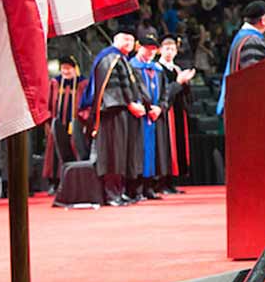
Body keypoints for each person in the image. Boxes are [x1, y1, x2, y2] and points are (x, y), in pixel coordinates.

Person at [82, 31, 147, 206]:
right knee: (113, 154)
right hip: (112, 113)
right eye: (125, 39)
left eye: (132, 40)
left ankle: (120, 191)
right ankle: (111, 194)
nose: (129, 42)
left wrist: (140, 103)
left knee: (123, 153)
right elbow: (110, 89)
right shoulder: (109, 58)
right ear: (115, 40)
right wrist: (129, 104)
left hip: (124, 112)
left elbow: (133, 86)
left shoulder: (123, 59)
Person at [216, 0, 265, 116]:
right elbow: (253, 78)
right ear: (263, 20)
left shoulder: (243, 37)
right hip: (248, 109)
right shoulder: (251, 41)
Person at [155, 34, 195, 192]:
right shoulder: (157, 69)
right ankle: (163, 183)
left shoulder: (177, 69)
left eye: (172, 49)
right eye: (166, 49)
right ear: (160, 50)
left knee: (178, 146)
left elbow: (187, 95)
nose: (169, 52)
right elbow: (163, 92)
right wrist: (178, 82)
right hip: (165, 111)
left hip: (178, 110)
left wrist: (186, 83)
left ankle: (172, 182)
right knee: (166, 147)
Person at [130, 36, 168, 200]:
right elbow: (133, 91)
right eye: (148, 48)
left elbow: (165, 92)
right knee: (139, 151)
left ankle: (149, 186)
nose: (151, 52)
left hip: (154, 116)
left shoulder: (158, 69)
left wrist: (160, 107)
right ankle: (136, 188)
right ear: (139, 47)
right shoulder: (132, 67)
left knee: (153, 151)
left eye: (154, 49)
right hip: (138, 117)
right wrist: (145, 108)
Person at [42, 55, 89, 190]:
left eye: (68, 69)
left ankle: (75, 181)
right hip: (58, 124)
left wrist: (82, 118)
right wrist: (50, 119)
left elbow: (86, 104)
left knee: (75, 150)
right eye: (63, 69)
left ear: (75, 69)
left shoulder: (82, 83)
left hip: (76, 124)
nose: (65, 72)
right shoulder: (55, 83)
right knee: (54, 153)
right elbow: (49, 103)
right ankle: (54, 183)